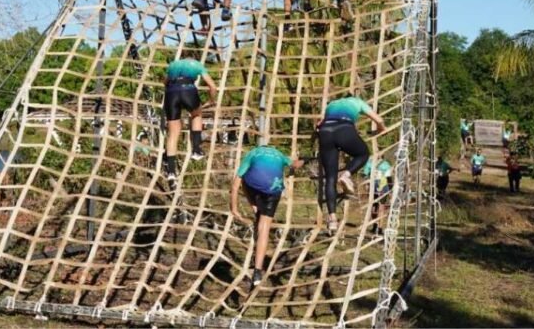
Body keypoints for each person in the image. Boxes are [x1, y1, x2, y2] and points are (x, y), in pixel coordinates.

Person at [230, 145, 303, 287]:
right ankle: (257, 272)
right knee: (264, 229)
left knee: (245, 178)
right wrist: (304, 160)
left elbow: (235, 184)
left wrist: (234, 207)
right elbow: (295, 164)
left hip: (255, 186)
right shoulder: (280, 154)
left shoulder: (253, 152)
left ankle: (255, 205)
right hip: (273, 189)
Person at [316, 95, 386, 233]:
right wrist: (381, 128)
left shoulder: (332, 104)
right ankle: (346, 174)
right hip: (344, 128)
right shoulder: (358, 102)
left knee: (330, 178)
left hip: (325, 132)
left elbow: (319, 123)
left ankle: (332, 220)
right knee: (363, 154)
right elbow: (379, 120)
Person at [163, 58, 218, 182]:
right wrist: (211, 100)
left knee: (173, 134)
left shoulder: (173, 65)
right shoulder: (197, 65)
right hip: (189, 91)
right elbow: (212, 86)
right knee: (197, 115)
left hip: (171, 94)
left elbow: (165, 82)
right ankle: (196, 151)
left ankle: (171, 172)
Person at [362, 157, 392, 233]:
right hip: (381, 185)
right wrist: (391, 189)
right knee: (379, 207)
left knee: (375, 206)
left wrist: (366, 184)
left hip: (374, 185)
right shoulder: (385, 164)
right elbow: (389, 178)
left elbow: (365, 175)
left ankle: (376, 226)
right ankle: (378, 227)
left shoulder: (369, 162)